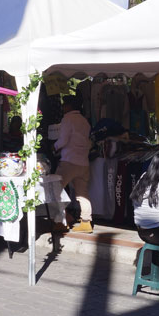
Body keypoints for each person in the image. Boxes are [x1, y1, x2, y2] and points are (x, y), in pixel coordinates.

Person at [54, 95, 93, 233]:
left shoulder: (67, 119)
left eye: (65, 104)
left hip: (69, 161)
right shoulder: (84, 121)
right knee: (82, 193)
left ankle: (63, 220)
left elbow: (63, 140)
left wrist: (54, 147)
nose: (63, 107)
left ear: (70, 106)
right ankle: (86, 222)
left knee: (55, 190)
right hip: (83, 162)